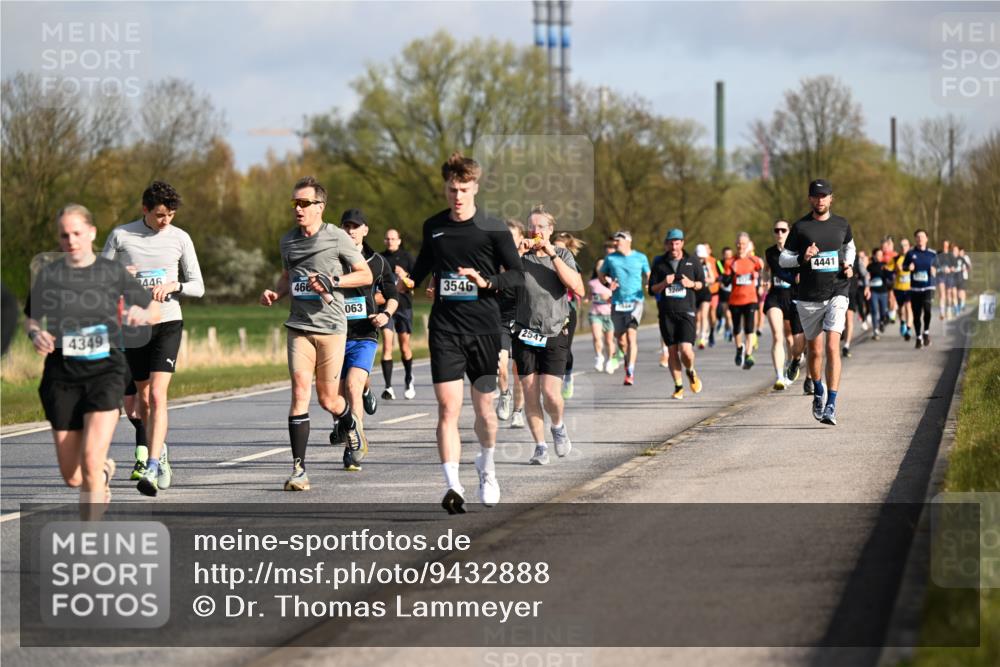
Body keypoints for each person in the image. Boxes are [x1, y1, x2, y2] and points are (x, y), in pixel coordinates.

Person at [25, 204, 160, 517]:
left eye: (77, 233)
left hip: (105, 373)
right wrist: (35, 334)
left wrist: (142, 314)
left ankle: (89, 539)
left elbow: (153, 309)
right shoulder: (50, 275)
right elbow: (31, 318)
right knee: (73, 477)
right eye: (64, 235)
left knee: (89, 459)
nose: (71, 240)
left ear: (91, 233)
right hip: (62, 377)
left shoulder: (111, 272)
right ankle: (102, 472)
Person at [409, 152, 524, 514]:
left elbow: (517, 276)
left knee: (485, 412)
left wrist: (485, 281)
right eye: (451, 189)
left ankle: (487, 470)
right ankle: (453, 485)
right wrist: (405, 282)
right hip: (445, 330)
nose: (457, 196)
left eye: (463, 189)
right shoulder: (433, 226)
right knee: (448, 408)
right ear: (445, 188)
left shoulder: (493, 228)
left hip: (484, 330)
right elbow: (420, 269)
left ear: (475, 187)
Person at [259, 176, 373, 491]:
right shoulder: (288, 241)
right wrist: (276, 293)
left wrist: (332, 281)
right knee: (299, 392)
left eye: (304, 203)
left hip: (331, 329)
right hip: (298, 326)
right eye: (294, 203)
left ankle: (350, 422)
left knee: (327, 399)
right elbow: (287, 276)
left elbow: (364, 274)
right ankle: (299, 470)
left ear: (319, 207)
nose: (298, 208)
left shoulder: (337, 237)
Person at [101, 181, 204, 496]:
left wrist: (174, 286)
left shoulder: (180, 238)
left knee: (158, 396)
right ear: (145, 209)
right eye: (160, 215)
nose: (165, 221)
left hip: (167, 322)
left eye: (171, 215)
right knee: (142, 402)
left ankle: (153, 463)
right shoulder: (121, 236)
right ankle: (161, 450)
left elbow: (198, 285)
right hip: (133, 326)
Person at [779, 179, 856, 426]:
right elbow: (783, 259)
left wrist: (849, 264)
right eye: (816, 196)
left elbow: (850, 247)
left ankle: (831, 404)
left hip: (837, 290)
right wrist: (802, 257)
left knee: (833, 346)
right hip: (809, 296)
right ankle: (818, 391)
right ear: (810, 198)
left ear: (831, 198)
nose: (820, 200)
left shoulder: (842, 224)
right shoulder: (800, 227)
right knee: (815, 351)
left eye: (824, 196)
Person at [513, 206, 584, 464]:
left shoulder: (562, 254)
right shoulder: (519, 255)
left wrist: (552, 253)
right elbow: (500, 284)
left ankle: (558, 426)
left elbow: (578, 288)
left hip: (554, 331)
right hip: (524, 332)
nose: (536, 231)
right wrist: (517, 255)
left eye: (541, 227)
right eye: (532, 227)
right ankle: (540, 447)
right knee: (530, 393)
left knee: (551, 394)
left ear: (550, 230)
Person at [334, 209, 399, 471]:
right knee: (335, 397)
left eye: (355, 226)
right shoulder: (332, 259)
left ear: (365, 230)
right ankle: (362, 394)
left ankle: (354, 446)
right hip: (335, 335)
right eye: (346, 226)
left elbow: (392, 295)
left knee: (352, 384)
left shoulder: (377, 261)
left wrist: (385, 315)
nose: (350, 231)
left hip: (364, 333)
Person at [648, 229, 705, 399]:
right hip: (666, 313)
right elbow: (652, 289)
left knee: (686, 350)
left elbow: (702, 284)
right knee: (672, 351)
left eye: (677, 243)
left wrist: (691, 284)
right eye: (671, 243)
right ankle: (678, 386)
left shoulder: (692, 261)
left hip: (686, 311)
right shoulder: (659, 263)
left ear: (682, 243)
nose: (674, 246)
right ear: (666, 244)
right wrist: (664, 283)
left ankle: (691, 370)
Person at [598, 230, 650, 386]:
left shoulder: (640, 257)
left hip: (635, 301)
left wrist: (649, 284)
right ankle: (627, 361)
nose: (615, 243)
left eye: (618, 240)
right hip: (617, 302)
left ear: (628, 241)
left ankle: (630, 372)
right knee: (621, 339)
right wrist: (608, 284)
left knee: (631, 335)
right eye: (614, 241)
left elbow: (649, 274)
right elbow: (601, 274)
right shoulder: (611, 258)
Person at [763, 220, 805, 390]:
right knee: (777, 336)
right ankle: (779, 376)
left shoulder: (798, 251)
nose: (779, 233)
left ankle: (793, 362)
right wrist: (765, 280)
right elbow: (767, 270)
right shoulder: (770, 252)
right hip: (775, 296)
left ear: (789, 232)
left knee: (792, 339)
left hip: (794, 296)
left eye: (783, 230)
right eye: (776, 230)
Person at [379, 228, 416, 400]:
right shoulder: (380, 258)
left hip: (403, 306)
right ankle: (388, 387)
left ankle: (408, 379)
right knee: (387, 345)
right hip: (386, 307)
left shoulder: (407, 257)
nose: (390, 241)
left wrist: (404, 275)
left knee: (404, 346)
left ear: (399, 241)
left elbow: (414, 283)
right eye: (387, 239)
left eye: (393, 238)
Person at [496, 219, 524, 424]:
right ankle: (505, 394)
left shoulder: (530, 261)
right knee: (501, 364)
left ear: (521, 238)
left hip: (524, 320)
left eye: (511, 236)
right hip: (501, 319)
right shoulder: (495, 261)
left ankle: (518, 412)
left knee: (519, 371)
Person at [724, 232, 764, 370]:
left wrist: (760, 282)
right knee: (736, 328)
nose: (741, 246)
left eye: (743, 244)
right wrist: (732, 273)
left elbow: (763, 273)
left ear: (748, 245)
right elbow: (725, 281)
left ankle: (748, 354)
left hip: (750, 299)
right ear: (736, 244)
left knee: (749, 328)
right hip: (735, 300)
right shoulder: (730, 262)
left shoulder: (755, 260)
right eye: (739, 244)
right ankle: (739, 349)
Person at [554, 231, 585, 399]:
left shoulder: (572, 263)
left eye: (561, 248)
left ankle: (568, 375)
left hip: (567, 309)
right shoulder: (543, 260)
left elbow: (580, 289)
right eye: (554, 247)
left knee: (565, 347)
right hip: (549, 310)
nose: (556, 250)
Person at [904, 229, 937, 349]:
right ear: (915, 239)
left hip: (928, 287)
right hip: (915, 288)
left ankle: (926, 332)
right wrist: (908, 267)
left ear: (926, 239)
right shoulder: (910, 253)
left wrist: (935, 270)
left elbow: (938, 267)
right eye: (918, 237)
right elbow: (904, 266)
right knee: (916, 314)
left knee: (927, 310)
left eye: (922, 236)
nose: (920, 239)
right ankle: (918, 337)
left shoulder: (932, 254)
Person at [587, 242, 615, 372]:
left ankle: (610, 360)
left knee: (609, 341)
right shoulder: (592, 282)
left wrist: (609, 298)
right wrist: (587, 299)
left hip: (609, 314)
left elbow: (618, 297)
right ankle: (599, 357)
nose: (600, 268)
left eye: (603, 266)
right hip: (595, 314)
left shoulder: (611, 281)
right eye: (598, 266)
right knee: (596, 337)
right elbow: (589, 295)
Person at [694, 244, 717, 350]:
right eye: (699, 257)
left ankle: (703, 337)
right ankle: (696, 333)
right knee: (696, 317)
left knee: (704, 315)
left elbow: (712, 279)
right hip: (695, 293)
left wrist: (704, 280)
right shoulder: (692, 265)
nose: (700, 260)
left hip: (705, 292)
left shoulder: (707, 265)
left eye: (702, 258)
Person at [867, 248, 893, 340]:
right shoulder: (870, 266)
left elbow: (890, 277)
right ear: (874, 255)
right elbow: (867, 278)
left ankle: (882, 322)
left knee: (883, 311)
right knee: (874, 310)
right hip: (873, 291)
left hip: (883, 291)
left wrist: (887, 271)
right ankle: (875, 331)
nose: (879, 256)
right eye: (878, 255)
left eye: (881, 255)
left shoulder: (884, 265)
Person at [893, 237, 914, 340]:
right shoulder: (896, 258)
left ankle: (908, 330)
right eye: (901, 246)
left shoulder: (913, 257)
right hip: (898, 288)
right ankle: (902, 322)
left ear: (909, 246)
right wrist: (896, 269)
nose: (903, 247)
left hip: (910, 288)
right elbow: (889, 270)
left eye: (905, 245)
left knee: (908, 307)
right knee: (901, 309)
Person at [937, 239, 955, 321]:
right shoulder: (938, 254)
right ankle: (942, 313)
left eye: (946, 245)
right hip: (941, 276)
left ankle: (949, 311)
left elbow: (954, 267)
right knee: (942, 294)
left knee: (948, 294)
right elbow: (934, 265)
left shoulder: (951, 255)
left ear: (948, 246)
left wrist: (950, 269)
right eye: (943, 245)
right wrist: (941, 269)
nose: (945, 246)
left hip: (949, 276)